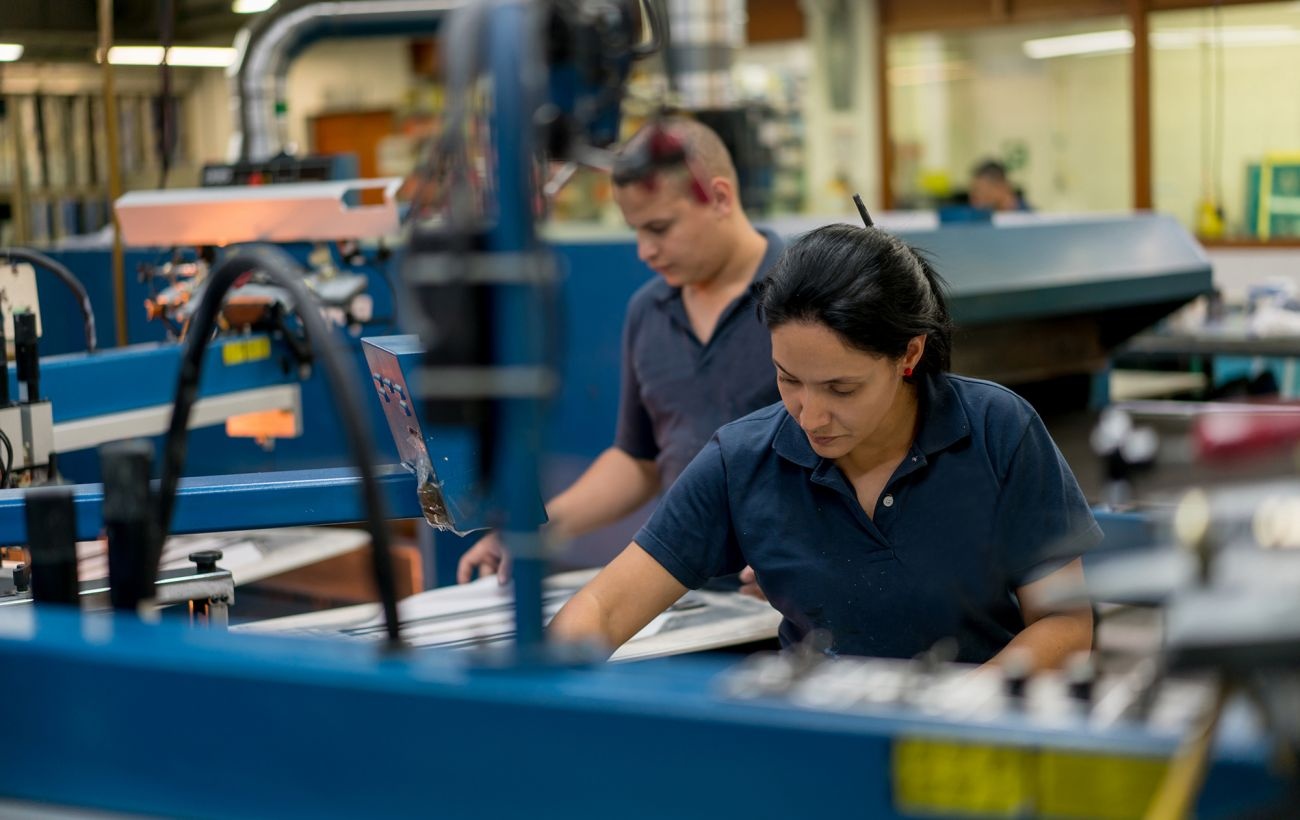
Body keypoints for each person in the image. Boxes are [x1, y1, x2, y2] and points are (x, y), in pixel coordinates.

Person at [549, 223, 1098, 667]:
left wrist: (960, 707)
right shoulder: (742, 460)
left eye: (842, 388)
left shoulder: (997, 431)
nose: (810, 415)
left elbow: (1066, 623)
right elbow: (602, 606)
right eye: (787, 379)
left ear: (908, 355)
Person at [456, 117, 785, 588]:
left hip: (789, 609)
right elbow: (638, 459)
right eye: (635, 230)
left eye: (659, 227)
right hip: (687, 593)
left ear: (719, 197)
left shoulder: (804, 299)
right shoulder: (649, 311)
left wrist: (807, 558)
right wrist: (539, 530)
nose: (644, 251)